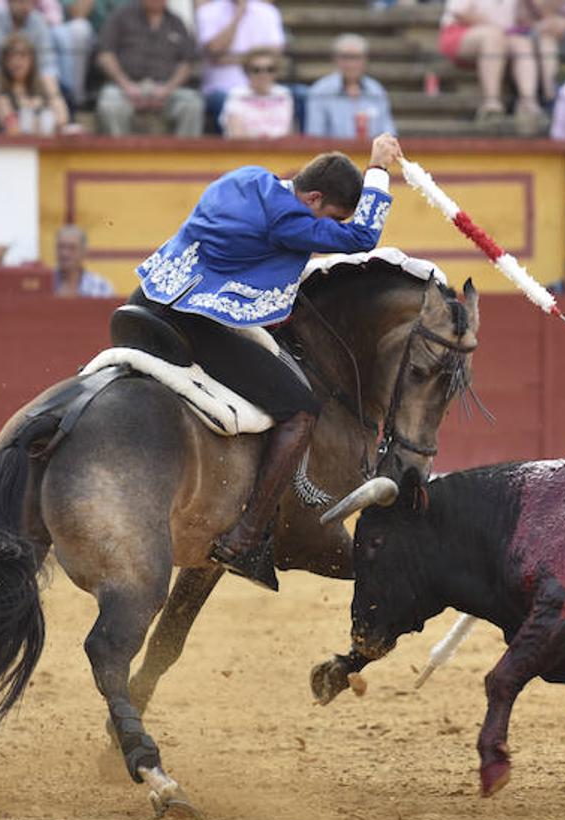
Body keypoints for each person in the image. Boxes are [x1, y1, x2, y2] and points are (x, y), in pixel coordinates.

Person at [132, 134, 403, 589]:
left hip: (147, 300)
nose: (324, 229)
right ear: (313, 197)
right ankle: (245, 538)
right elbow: (362, 237)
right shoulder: (290, 220)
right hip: (198, 319)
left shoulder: (246, 178)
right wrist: (378, 169)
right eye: (328, 217)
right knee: (300, 412)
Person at [95, 0, 203, 136]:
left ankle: (184, 156)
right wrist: (126, 85)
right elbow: (105, 54)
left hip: (166, 89)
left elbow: (187, 62)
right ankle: (120, 155)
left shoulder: (176, 22)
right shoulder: (121, 16)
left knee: (192, 104)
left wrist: (168, 89)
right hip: (125, 87)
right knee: (109, 103)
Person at [437, 0, 548, 131]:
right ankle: (491, 104)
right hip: (462, 32)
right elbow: (460, 13)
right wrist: (498, 28)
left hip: (504, 35)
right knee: (494, 37)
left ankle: (528, 103)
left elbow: (525, 20)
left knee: (522, 44)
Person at [304, 33, 396, 140]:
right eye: (346, 57)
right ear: (336, 59)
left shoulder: (376, 90)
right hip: (334, 154)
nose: (351, 64)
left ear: (365, 60)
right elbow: (314, 137)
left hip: (372, 154)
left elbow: (389, 134)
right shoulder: (320, 91)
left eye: (356, 58)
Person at [0, 0, 61, 100]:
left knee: (60, 92)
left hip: (30, 84)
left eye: (32, 2)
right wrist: (15, 87)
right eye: (21, 2)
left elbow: (48, 66)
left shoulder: (38, 20)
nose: (27, 6)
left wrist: (54, 98)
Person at [195, 0, 285, 99]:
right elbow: (215, 50)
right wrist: (238, 14)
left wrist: (229, 58)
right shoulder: (207, 11)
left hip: (264, 90)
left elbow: (275, 53)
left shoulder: (268, 11)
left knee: (300, 93)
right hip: (221, 91)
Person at [0, 32, 69, 134]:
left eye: (22, 55)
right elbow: (10, 125)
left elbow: (63, 118)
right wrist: (30, 110)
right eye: (11, 56)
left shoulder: (47, 82)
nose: (16, 61)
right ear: (4, 61)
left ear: (32, 59)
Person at [219, 47, 293, 138]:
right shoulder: (237, 95)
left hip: (280, 150)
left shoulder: (284, 94)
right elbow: (237, 136)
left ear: (276, 72)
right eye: (256, 70)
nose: (263, 74)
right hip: (246, 150)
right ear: (246, 72)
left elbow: (288, 133)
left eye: (270, 69)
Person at [54, 225, 114, 297]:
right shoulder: (45, 284)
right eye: (61, 247)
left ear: (83, 252)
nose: (64, 253)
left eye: (72, 248)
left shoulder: (101, 286)